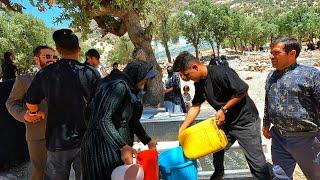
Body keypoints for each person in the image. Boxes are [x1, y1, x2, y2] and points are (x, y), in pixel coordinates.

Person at [173, 51, 271, 180]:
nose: (186, 78)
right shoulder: (199, 82)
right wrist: (183, 128)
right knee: (216, 150)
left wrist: (223, 109)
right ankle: (218, 174)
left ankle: (271, 174)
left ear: (195, 67)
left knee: (257, 164)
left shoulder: (221, 72)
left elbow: (242, 90)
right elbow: (196, 105)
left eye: (186, 74)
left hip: (245, 122)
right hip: (225, 124)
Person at [25, 29, 101, 180]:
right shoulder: (91, 73)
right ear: (79, 50)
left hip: (57, 141)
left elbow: (31, 103)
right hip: (86, 140)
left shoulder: (45, 73)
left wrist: (35, 113)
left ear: (58, 50)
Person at [81, 60, 157, 179]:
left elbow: (132, 121)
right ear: (138, 75)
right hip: (101, 147)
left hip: (113, 145)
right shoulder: (119, 86)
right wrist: (122, 146)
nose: (146, 82)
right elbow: (104, 119)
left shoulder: (130, 90)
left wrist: (147, 140)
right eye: (146, 78)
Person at [263, 37, 320, 179]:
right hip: (278, 137)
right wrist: (266, 124)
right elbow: (268, 101)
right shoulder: (271, 75)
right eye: (271, 52)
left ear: (292, 53)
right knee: (280, 176)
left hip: (306, 139)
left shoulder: (310, 75)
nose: (271, 56)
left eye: (276, 52)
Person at [6, 45, 56, 180]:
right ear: (36, 59)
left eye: (54, 57)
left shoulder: (62, 79)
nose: (52, 60)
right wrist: (24, 115)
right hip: (37, 134)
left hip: (61, 133)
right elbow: (11, 102)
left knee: (59, 171)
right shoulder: (24, 80)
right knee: (38, 172)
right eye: (47, 56)